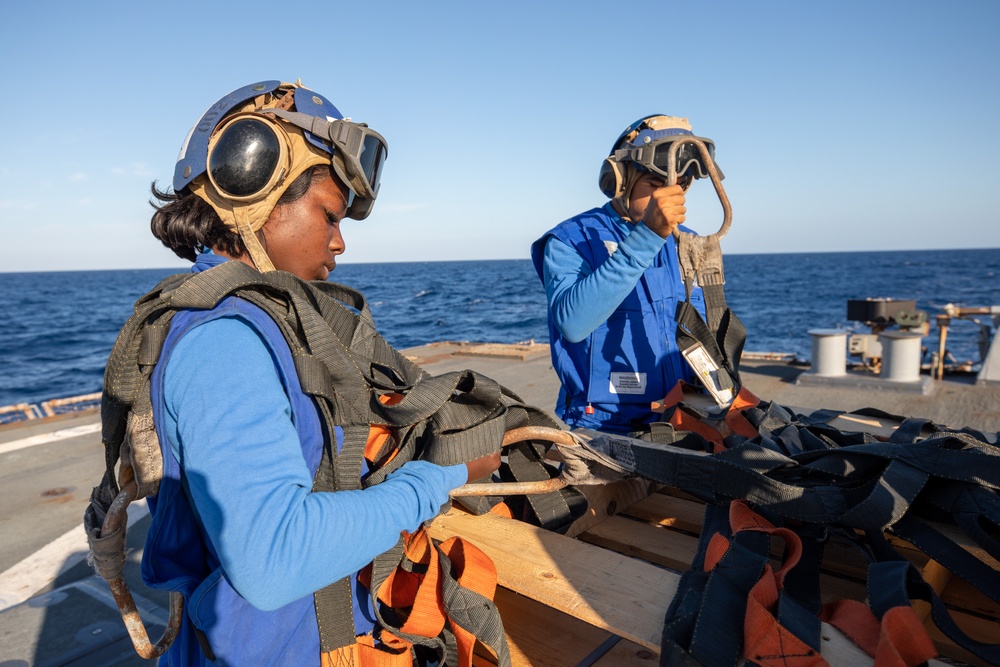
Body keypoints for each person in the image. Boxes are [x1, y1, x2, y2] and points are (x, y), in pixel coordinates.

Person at [124, 80, 501, 665]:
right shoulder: (226, 342)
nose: (340, 240)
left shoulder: (258, 322)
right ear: (252, 188)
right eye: (328, 214)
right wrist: (440, 477)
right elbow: (273, 558)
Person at [530, 114, 719, 434]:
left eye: (681, 187)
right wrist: (648, 236)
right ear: (619, 179)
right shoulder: (572, 239)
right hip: (601, 424)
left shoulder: (689, 242)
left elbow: (704, 330)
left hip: (682, 417)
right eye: (657, 186)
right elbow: (573, 322)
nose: (670, 199)